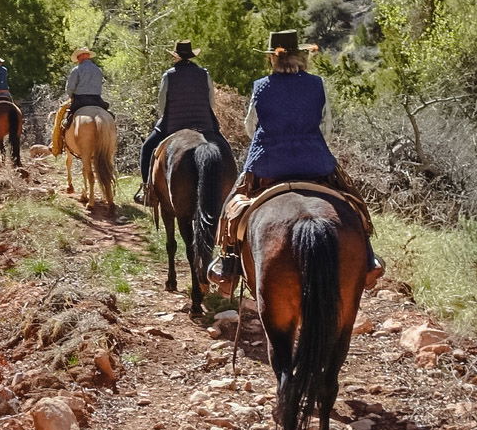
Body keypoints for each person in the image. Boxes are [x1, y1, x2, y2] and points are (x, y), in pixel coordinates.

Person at [206, 30, 381, 294]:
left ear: (272, 59)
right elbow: (326, 127)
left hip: (268, 164)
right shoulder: (317, 84)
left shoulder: (261, 86)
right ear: (301, 57)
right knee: (354, 202)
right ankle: (368, 259)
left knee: (232, 206)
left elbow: (250, 126)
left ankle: (227, 266)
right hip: (315, 163)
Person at [133, 41, 234, 205]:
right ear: (191, 56)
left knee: (146, 149)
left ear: (176, 57)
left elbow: (162, 105)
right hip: (204, 124)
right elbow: (211, 103)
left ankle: (148, 191)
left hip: (173, 124)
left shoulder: (168, 75)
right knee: (225, 148)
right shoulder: (204, 74)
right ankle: (232, 190)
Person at [50, 47, 109, 155]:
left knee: (61, 115)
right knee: (110, 116)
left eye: (78, 56)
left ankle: (56, 146)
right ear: (88, 56)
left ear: (82, 56)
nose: (77, 59)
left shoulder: (77, 70)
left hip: (80, 100)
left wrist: (71, 97)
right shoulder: (98, 70)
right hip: (97, 100)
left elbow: (70, 88)